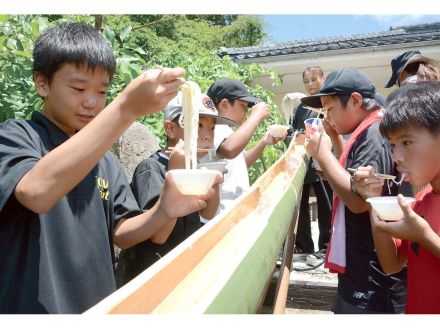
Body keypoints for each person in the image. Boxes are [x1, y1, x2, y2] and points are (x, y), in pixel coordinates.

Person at [0, 23, 220, 314]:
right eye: (78, 88)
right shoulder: (14, 136)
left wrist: (164, 210)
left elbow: (122, 231)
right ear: (42, 83)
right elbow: (36, 192)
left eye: (103, 92)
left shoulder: (104, 160)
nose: (91, 102)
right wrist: (126, 108)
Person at [300, 67, 407, 313]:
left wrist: (322, 153)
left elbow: (360, 203)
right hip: (363, 263)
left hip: (372, 272)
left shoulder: (374, 133)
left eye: (330, 109)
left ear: (356, 101)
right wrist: (335, 141)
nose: (328, 117)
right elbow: (352, 178)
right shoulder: (367, 129)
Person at [117, 92, 236, 285]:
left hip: (182, 271)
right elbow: (159, 236)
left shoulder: (195, 170)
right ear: (170, 129)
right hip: (150, 275)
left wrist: (215, 179)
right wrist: (176, 171)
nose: (207, 135)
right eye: (198, 124)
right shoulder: (152, 168)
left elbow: (207, 213)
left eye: (212, 128)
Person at [351, 82, 440, 314]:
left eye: (407, 142)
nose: (396, 157)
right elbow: (391, 264)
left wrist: (426, 237)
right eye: (392, 145)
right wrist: (373, 200)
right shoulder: (421, 200)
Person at [204, 78, 286, 218]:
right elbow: (229, 150)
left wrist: (263, 142)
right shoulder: (214, 128)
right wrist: (256, 115)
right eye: (243, 106)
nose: (246, 112)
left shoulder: (228, 132)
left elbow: (240, 163)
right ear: (224, 105)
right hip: (220, 216)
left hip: (231, 213)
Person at [287, 66, 332, 266]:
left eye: (314, 79)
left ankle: (326, 247)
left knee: (326, 204)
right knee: (301, 206)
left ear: (323, 78)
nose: (311, 85)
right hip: (304, 162)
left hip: (323, 162)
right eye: (307, 81)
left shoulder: (329, 103)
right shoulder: (301, 107)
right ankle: (303, 247)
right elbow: (295, 130)